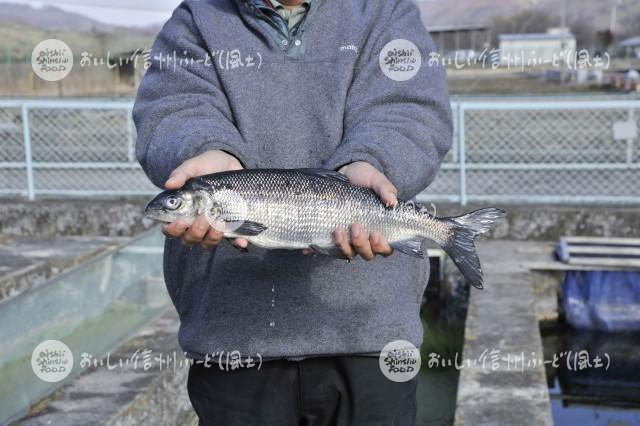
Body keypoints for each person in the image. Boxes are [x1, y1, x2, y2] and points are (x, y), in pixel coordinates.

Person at [133, 0, 452, 424]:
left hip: (370, 332)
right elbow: (172, 109)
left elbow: (410, 110)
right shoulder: (197, 18)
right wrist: (206, 151)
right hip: (232, 335)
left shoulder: (385, 12)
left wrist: (372, 160)